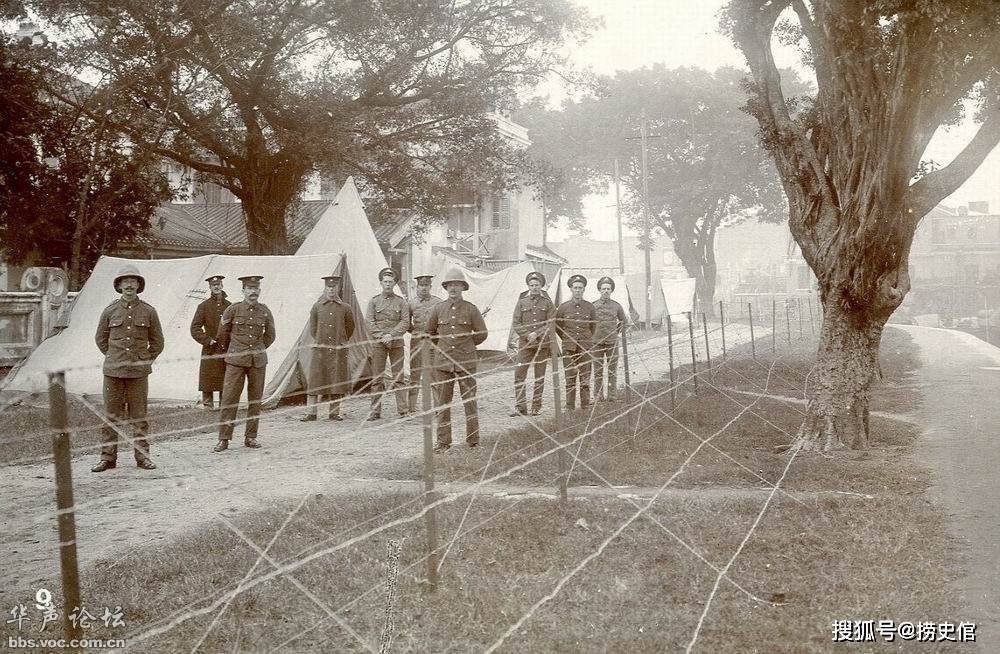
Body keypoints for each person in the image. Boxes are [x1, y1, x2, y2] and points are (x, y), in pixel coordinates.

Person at [92, 264, 164, 472]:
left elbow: (158, 342)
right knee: (110, 416)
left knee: (139, 416)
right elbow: (101, 339)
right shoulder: (110, 311)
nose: (129, 285)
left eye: (133, 281)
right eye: (125, 281)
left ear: (139, 285)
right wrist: (114, 356)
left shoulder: (149, 311)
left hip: (138, 373)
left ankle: (142, 458)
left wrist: (144, 360)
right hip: (113, 371)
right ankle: (107, 458)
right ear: (119, 286)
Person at [213, 275, 276, 452]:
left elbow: (270, 335)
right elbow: (222, 335)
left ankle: (251, 437)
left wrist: (258, 348)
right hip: (235, 360)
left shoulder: (265, 311)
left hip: (257, 361)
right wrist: (232, 352)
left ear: (259, 291)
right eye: (249, 288)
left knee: (255, 400)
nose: (253, 292)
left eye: (256, 289)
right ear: (243, 291)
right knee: (229, 399)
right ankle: (224, 439)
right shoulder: (232, 310)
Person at [428, 268, 487, 452]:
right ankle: (443, 442)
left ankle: (473, 440)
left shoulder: (471, 309)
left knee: (469, 402)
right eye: (450, 285)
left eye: (457, 284)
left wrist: (466, 345)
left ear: (463, 287)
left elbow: (481, 334)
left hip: (465, 362)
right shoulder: (438, 309)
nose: (453, 288)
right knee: (443, 404)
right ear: (446, 287)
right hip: (443, 363)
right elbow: (430, 333)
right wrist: (443, 347)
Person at [301, 273, 355, 421]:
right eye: (329, 287)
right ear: (325, 288)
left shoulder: (345, 308)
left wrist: (341, 340)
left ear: (338, 288)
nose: (331, 289)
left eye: (334, 286)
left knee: (337, 380)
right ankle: (311, 413)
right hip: (321, 349)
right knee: (316, 380)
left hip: (338, 349)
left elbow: (350, 328)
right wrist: (321, 339)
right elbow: (313, 328)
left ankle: (335, 412)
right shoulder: (317, 306)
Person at [365, 267, 410, 420]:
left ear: (394, 283)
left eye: (391, 282)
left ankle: (403, 410)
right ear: (381, 282)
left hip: (396, 342)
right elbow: (369, 322)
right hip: (379, 343)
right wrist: (382, 336)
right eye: (385, 282)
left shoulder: (401, 302)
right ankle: (375, 411)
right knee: (377, 378)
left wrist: (391, 334)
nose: (388, 284)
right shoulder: (374, 301)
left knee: (399, 377)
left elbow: (405, 322)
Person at [510, 271, 555, 416]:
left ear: (541, 286)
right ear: (528, 286)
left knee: (539, 376)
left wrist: (537, 333)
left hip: (542, 345)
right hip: (525, 345)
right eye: (531, 285)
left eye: (537, 285)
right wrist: (527, 334)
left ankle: (536, 406)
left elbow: (551, 322)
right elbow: (516, 323)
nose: (534, 287)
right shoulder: (522, 302)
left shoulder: (547, 303)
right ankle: (520, 407)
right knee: (519, 374)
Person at [189, 275, 231, 409]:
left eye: (219, 284)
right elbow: (195, 328)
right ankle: (208, 405)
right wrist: (207, 340)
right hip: (210, 348)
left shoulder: (230, 306)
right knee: (208, 378)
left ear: (222, 286)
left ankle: (224, 405)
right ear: (210, 287)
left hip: (227, 348)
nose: (217, 287)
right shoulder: (203, 306)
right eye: (214, 285)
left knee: (225, 377)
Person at [555, 274, 596, 410]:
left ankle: (585, 406)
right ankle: (570, 407)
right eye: (575, 287)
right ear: (571, 289)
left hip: (585, 346)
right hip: (569, 347)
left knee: (585, 378)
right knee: (570, 378)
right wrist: (567, 338)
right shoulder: (563, 307)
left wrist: (586, 339)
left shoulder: (590, 307)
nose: (578, 290)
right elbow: (558, 327)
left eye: (580, 288)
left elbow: (593, 327)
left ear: (584, 289)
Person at [408, 274, 442, 412]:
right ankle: (411, 408)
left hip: (433, 343)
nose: (424, 288)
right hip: (416, 343)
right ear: (417, 287)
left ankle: (438, 407)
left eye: (426, 285)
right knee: (414, 375)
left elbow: (441, 322)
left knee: (434, 375)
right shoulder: (411, 303)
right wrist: (415, 332)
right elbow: (406, 322)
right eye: (421, 285)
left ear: (430, 287)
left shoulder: (438, 303)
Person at [591, 276, 628, 402]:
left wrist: (615, 332)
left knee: (612, 371)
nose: (606, 291)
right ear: (599, 290)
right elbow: (588, 323)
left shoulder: (616, 306)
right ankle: (598, 396)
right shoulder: (593, 306)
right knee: (598, 371)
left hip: (612, 343)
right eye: (603, 289)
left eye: (608, 288)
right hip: (597, 343)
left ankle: (612, 396)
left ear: (611, 290)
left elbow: (624, 321)